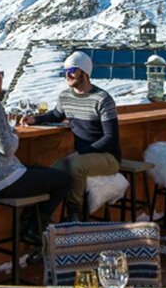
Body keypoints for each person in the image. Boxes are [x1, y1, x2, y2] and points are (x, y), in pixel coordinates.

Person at [0, 59, 71, 243]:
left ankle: (30, 224)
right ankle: (33, 229)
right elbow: (7, 147)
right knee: (64, 180)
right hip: (3, 179)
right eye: (0, 75)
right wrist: (13, 132)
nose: (2, 80)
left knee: (41, 171)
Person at [23, 51, 121, 220]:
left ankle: (75, 214)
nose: (67, 74)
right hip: (80, 155)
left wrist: (81, 153)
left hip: (108, 157)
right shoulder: (65, 96)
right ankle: (39, 219)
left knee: (76, 165)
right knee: (52, 173)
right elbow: (56, 114)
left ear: (85, 72)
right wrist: (34, 119)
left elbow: (110, 138)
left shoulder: (103, 99)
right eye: (65, 71)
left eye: (72, 70)